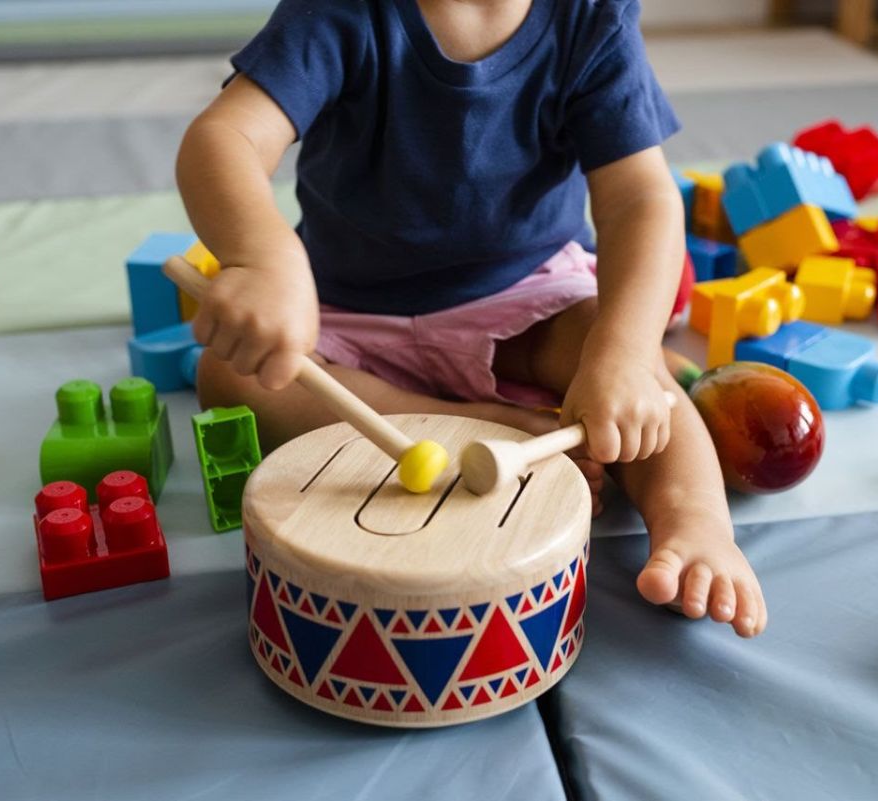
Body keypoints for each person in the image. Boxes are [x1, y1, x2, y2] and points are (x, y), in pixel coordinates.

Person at [176, 0, 766, 636]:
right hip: (349, 310)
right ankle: (491, 425)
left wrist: (619, 353)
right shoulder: (335, 12)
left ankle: (693, 522)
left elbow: (639, 200)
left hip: (526, 296)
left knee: (632, 362)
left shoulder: (590, 17)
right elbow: (225, 137)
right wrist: (263, 258)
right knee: (231, 377)